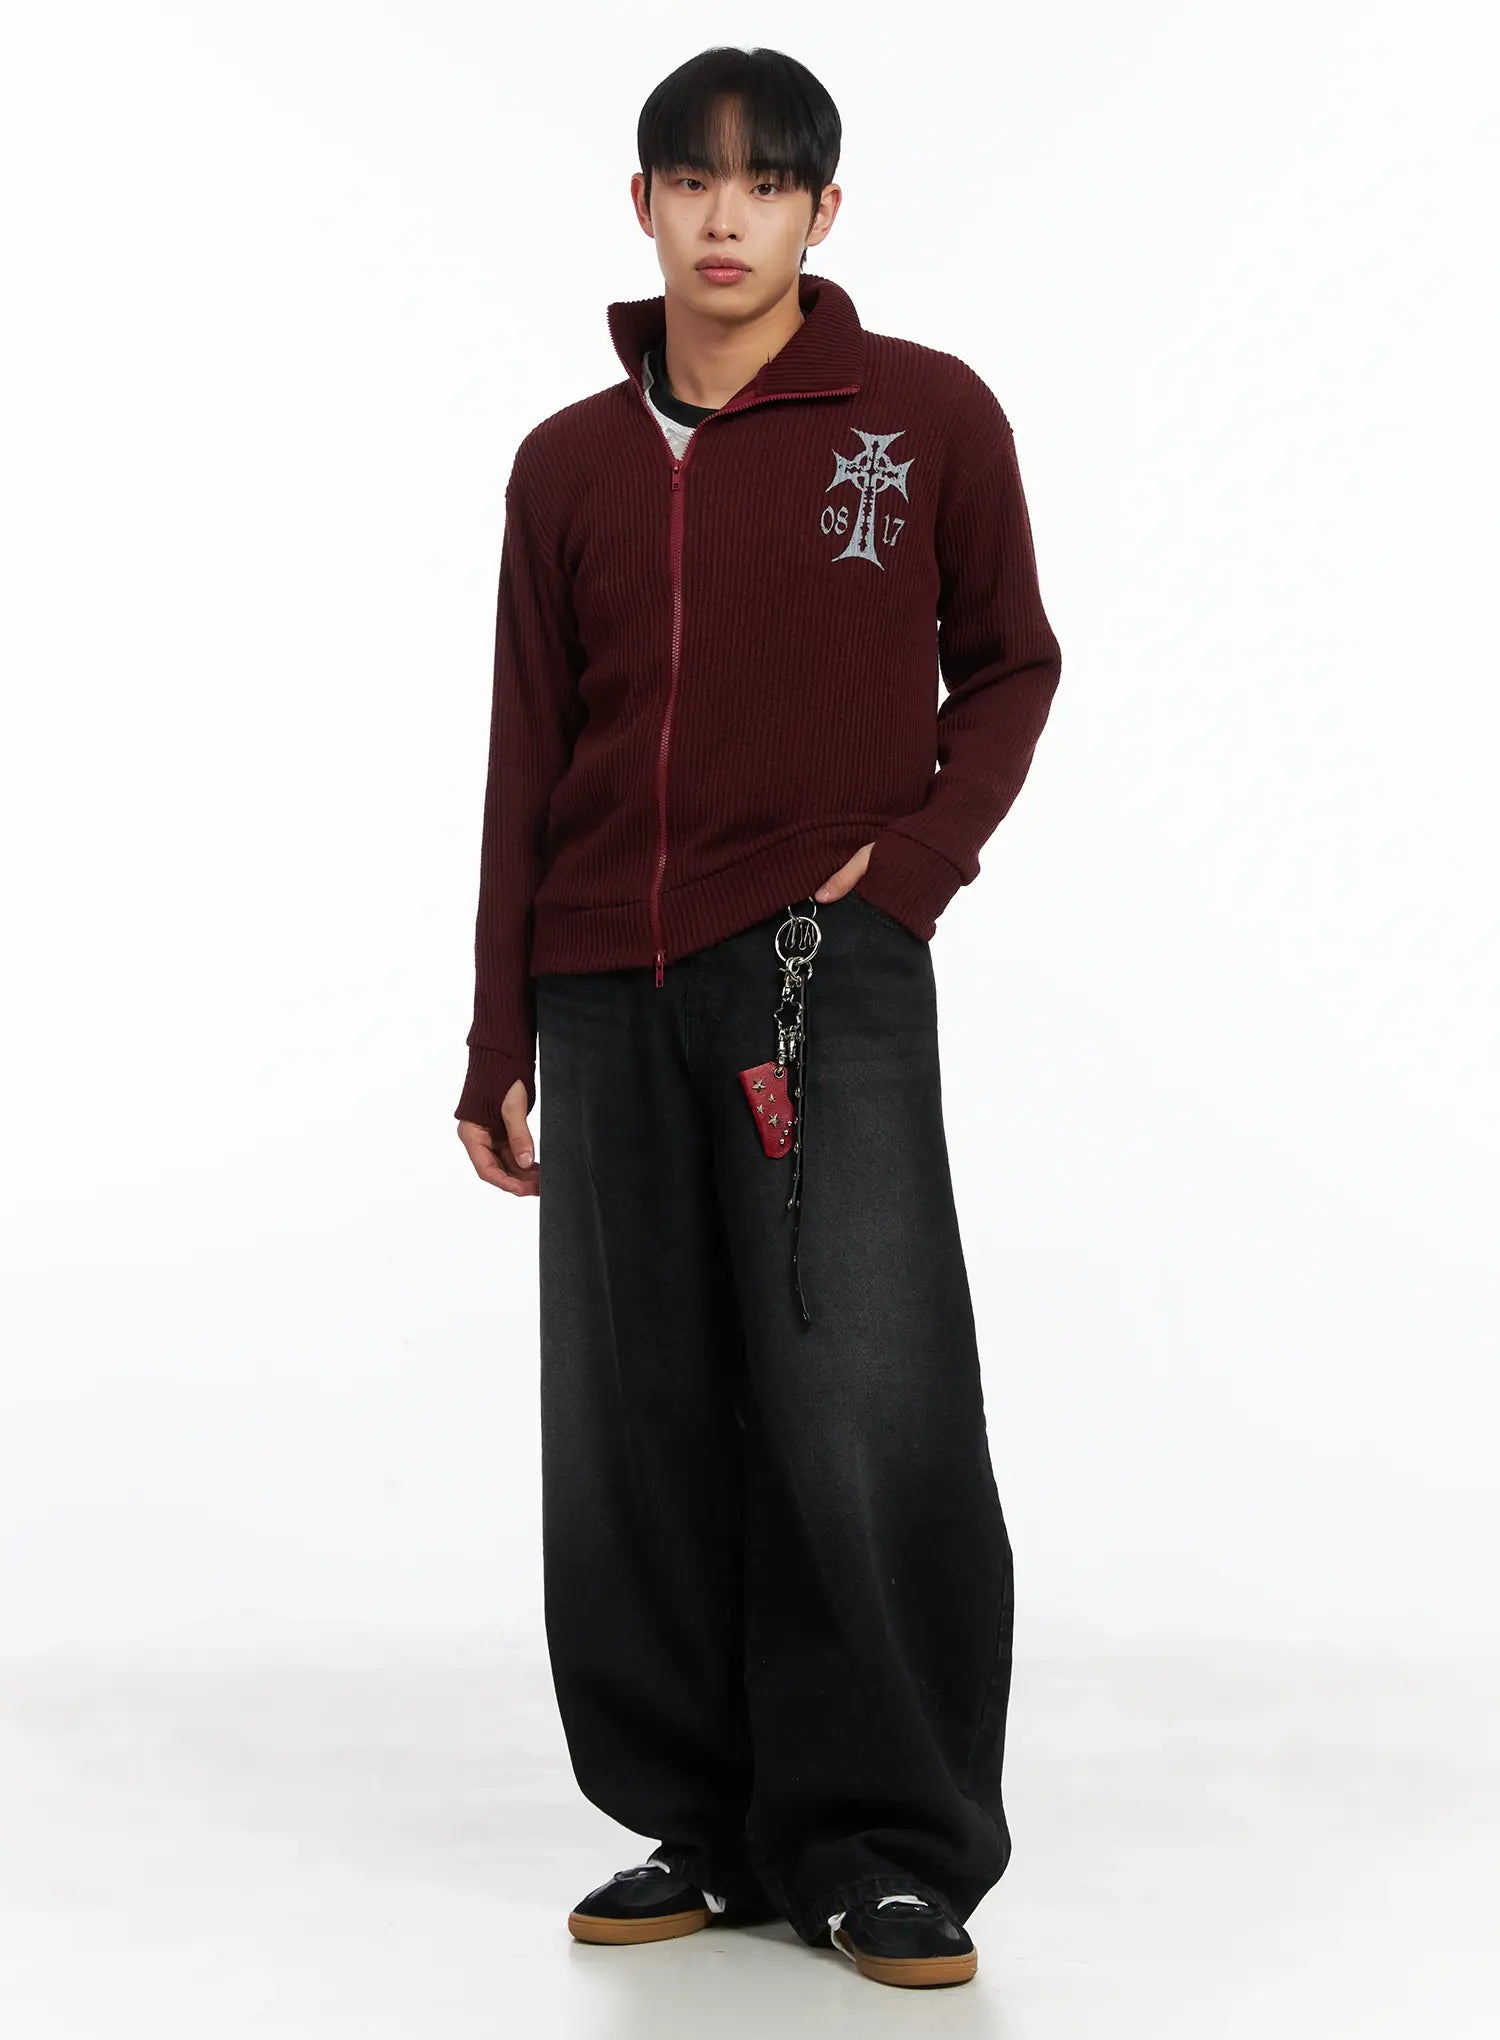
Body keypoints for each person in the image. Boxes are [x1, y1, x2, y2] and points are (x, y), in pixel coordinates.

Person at [455, 44, 1062, 1992]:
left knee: (859, 1404)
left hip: (820, 973)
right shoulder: (566, 463)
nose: (727, 217)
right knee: (635, 1429)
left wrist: (910, 871)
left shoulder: (922, 416)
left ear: (823, 210)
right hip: (599, 989)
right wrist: (497, 1036)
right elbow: (528, 751)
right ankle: (705, 1825)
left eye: (768, 182)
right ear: (641, 204)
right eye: (693, 181)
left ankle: (884, 1841)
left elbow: (1012, 664)